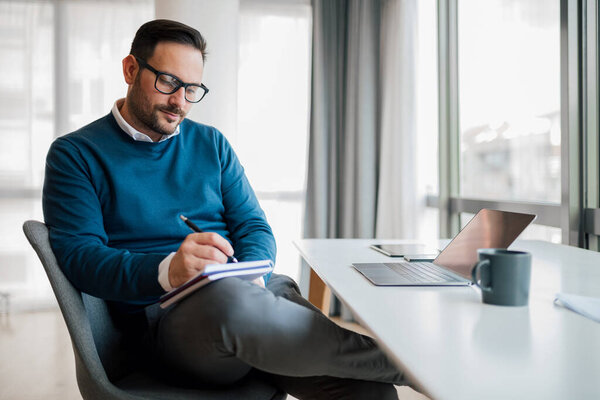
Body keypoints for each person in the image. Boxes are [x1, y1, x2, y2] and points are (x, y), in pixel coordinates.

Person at [43, 19, 407, 399]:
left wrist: (252, 279)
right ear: (131, 69)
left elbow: (254, 226)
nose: (180, 101)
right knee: (229, 302)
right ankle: (407, 365)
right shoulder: (76, 154)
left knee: (370, 392)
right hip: (165, 325)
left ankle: (389, 366)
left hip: (249, 306)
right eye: (168, 82)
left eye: (192, 89)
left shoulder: (212, 144)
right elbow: (80, 258)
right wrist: (169, 270)